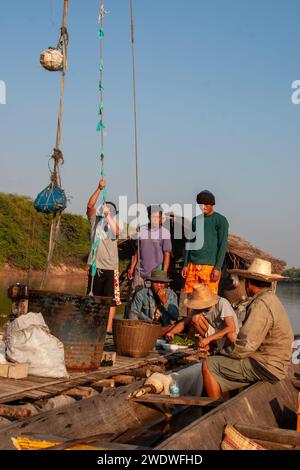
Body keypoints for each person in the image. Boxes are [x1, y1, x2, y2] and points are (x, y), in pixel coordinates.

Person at [202, 258, 293, 398]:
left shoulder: (260, 304)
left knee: (209, 364)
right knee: (230, 358)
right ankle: (229, 399)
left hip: (266, 366)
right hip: (275, 363)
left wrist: (220, 352)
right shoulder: (272, 299)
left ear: (249, 283)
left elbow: (245, 347)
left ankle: (211, 412)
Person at [86, 179, 122, 335]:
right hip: (95, 266)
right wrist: (99, 188)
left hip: (110, 267)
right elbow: (89, 206)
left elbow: (118, 232)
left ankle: (107, 329)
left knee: (111, 301)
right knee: (93, 298)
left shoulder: (114, 224)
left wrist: (109, 216)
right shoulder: (95, 221)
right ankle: (93, 326)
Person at [182, 190, 229, 296]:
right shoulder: (195, 220)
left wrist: (217, 268)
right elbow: (190, 242)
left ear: (212, 204)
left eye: (206, 204)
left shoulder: (220, 220)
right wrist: (185, 264)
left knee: (208, 300)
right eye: (201, 205)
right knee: (191, 298)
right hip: (192, 265)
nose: (204, 207)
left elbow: (222, 245)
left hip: (210, 267)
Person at [166, 284, 239, 350]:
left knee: (232, 336)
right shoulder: (199, 307)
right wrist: (172, 332)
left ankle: (221, 349)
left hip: (227, 336)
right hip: (214, 333)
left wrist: (208, 339)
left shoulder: (222, 303)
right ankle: (211, 346)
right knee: (195, 318)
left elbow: (231, 328)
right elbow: (184, 322)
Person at [127, 205, 172, 291]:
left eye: (157, 217)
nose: (155, 219)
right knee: (136, 298)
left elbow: (167, 254)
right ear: (148, 217)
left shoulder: (165, 233)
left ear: (161, 218)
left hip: (155, 275)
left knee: (152, 299)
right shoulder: (142, 230)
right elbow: (138, 250)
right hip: (139, 273)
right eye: (153, 217)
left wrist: (164, 273)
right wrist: (132, 267)